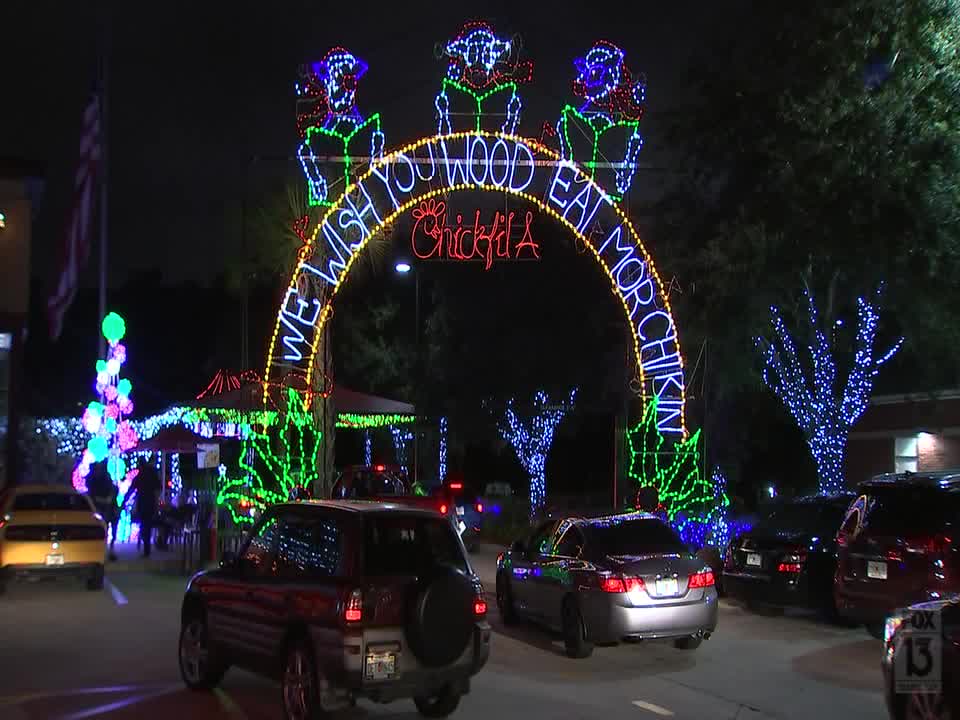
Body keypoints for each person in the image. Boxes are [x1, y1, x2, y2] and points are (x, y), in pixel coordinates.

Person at [122, 459, 162, 558]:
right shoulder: (152, 474)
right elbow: (158, 488)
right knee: (147, 525)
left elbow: (132, 489)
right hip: (150, 502)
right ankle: (147, 548)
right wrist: (157, 501)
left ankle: (146, 547)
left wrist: (124, 500)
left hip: (142, 502)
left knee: (144, 524)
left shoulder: (140, 476)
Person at [86, 463, 120, 561]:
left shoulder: (98, 480)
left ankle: (107, 550)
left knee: (105, 529)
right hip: (104, 507)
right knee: (104, 529)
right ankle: (107, 550)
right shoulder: (95, 480)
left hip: (106, 508)